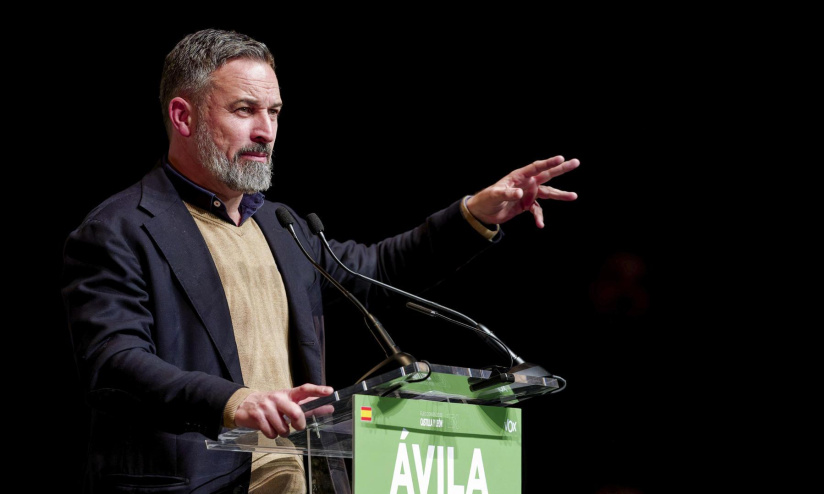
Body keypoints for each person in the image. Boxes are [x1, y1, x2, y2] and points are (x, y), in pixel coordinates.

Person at [61, 28, 580, 494]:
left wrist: (474, 213)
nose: (266, 131)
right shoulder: (120, 229)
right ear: (183, 116)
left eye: (275, 113)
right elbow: (115, 362)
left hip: (300, 481)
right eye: (244, 111)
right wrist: (231, 400)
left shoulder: (281, 225)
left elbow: (376, 273)